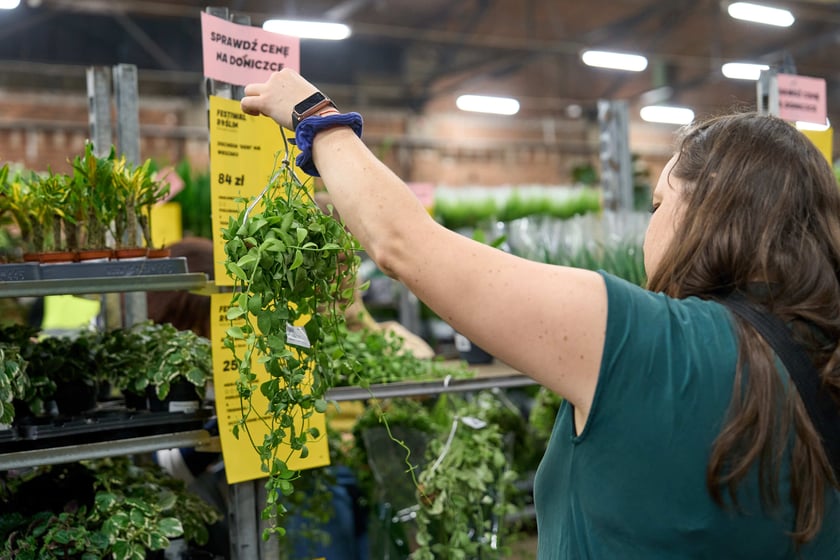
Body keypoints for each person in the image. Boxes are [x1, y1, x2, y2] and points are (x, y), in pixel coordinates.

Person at [240, 69, 840, 558]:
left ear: (707, 214)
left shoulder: (652, 343)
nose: (648, 227)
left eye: (659, 204)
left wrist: (316, 116)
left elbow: (405, 244)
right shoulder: (821, 356)